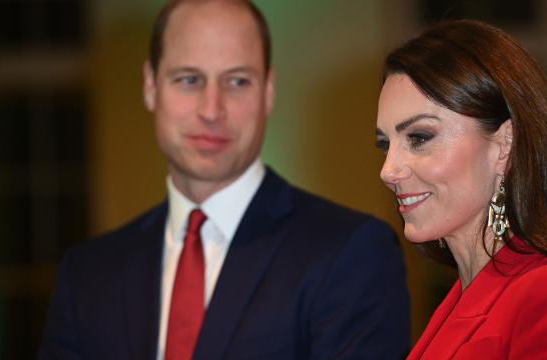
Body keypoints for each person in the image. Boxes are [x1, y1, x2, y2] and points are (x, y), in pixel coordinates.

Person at [38, 0, 411, 359]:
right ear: (151, 86)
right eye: (188, 79)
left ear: (268, 91)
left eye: (237, 81)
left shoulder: (351, 254)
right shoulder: (88, 275)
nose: (211, 109)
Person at [375, 19, 547, 359]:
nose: (388, 171)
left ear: (504, 144)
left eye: (419, 138)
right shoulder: (454, 306)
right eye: (385, 144)